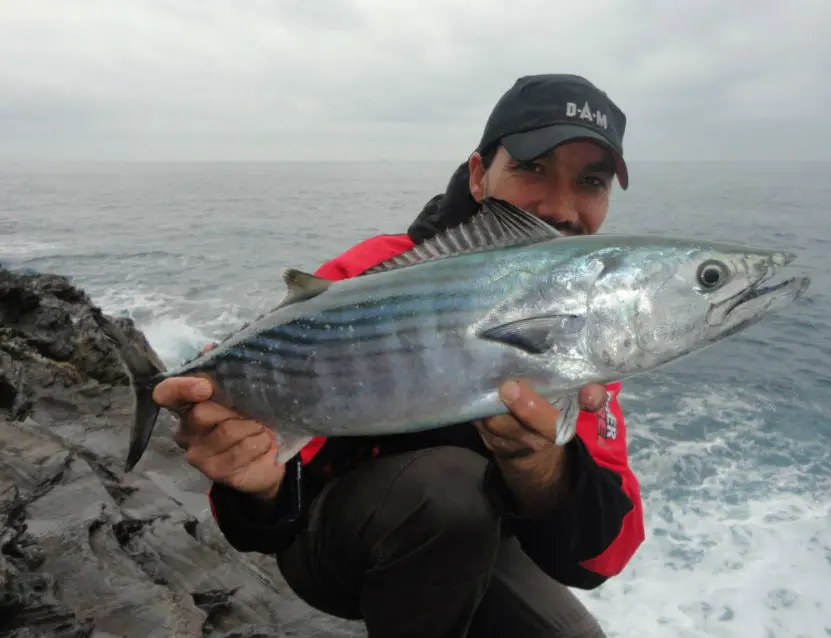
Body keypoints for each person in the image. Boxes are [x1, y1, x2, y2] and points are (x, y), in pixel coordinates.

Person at [153, 74, 645, 637]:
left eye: (591, 181)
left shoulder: (582, 322)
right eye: (532, 168)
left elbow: (605, 555)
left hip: (479, 543)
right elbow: (264, 506)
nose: (561, 208)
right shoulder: (375, 275)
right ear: (480, 176)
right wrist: (260, 485)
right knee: (450, 494)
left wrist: (543, 469)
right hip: (338, 542)